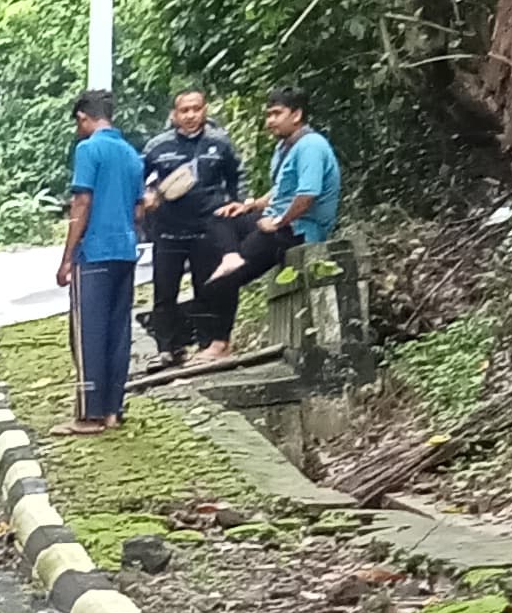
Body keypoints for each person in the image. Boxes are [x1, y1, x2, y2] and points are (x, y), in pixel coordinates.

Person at [58, 89, 146, 433]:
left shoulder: (88, 149)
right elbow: (139, 210)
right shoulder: (131, 155)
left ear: (83, 118)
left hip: (94, 251)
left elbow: (82, 202)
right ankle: (113, 409)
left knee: (87, 334)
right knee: (117, 332)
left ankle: (89, 414)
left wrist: (67, 257)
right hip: (125, 251)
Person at [139, 87, 245, 365]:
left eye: (196, 109)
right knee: (164, 291)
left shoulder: (220, 143)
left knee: (208, 289)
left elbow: (236, 177)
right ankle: (167, 349)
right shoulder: (157, 147)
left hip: (207, 230)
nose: (190, 115)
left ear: (204, 110)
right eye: (184, 110)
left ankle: (208, 344)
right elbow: (136, 179)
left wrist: (237, 206)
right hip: (168, 231)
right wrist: (145, 196)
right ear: (174, 115)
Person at [210, 84, 342, 291]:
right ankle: (231, 257)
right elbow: (280, 190)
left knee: (222, 283)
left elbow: (307, 196)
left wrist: (279, 222)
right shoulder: (285, 147)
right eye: (268, 115)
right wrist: (250, 206)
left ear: (297, 114)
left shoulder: (311, 146)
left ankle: (179, 318)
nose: (270, 121)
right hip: (277, 220)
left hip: (298, 229)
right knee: (221, 218)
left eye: (276, 114)